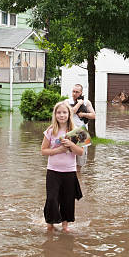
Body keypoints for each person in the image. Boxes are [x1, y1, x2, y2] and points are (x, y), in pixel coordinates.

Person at [41, 101, 84, 233]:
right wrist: (58, 150)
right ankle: (50, 224)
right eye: (59, 112)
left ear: (69, 114)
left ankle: (65, 226)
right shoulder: (50, 131)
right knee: (52, 198)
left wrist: (71, 145)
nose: (61, 115)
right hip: (53, 171)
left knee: (67, 199)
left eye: (64, 112)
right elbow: (43, 151)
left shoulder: (76, 130)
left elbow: (81, 152)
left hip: (69, 171)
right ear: (55, 114)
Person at [65, 84, 96, 170]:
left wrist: (83, 114)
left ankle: (79, 180)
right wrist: (79, 104)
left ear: (81, 92)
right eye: (73, 91)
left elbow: (93, 115)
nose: (74, 94)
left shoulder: (87, 102)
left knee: (80, 161)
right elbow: (70, 112)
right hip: (69, 131)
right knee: (69, 159)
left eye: (77, 92)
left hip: (82, 132)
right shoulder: (67, 101)